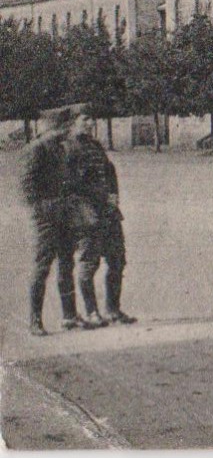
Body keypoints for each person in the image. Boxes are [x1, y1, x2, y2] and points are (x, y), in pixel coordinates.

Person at [21, 107, 91, 336]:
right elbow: (28, 190)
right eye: (64, 126)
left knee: (66, 264)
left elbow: (71, 180)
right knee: (42, 267)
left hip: (65, 214)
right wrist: (46, 210)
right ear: (54, 126)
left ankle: (69, 316)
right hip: (46, 218)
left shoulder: (64, 148)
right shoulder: (36, 149)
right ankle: (35, 320)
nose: (67, 130)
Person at [66, 109, 137, 326]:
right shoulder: (69, 147)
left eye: (92, 118)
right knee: (89, 263)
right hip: (88, 214)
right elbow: (71, 184)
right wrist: (98, 199)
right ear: (74, 122)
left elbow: (109, 170)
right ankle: (91, 312)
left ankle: (113, 310)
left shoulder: (95, 146)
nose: (90, 122)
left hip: (108, 213)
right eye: (85, 118)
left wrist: (114, 194)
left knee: (117, 259)